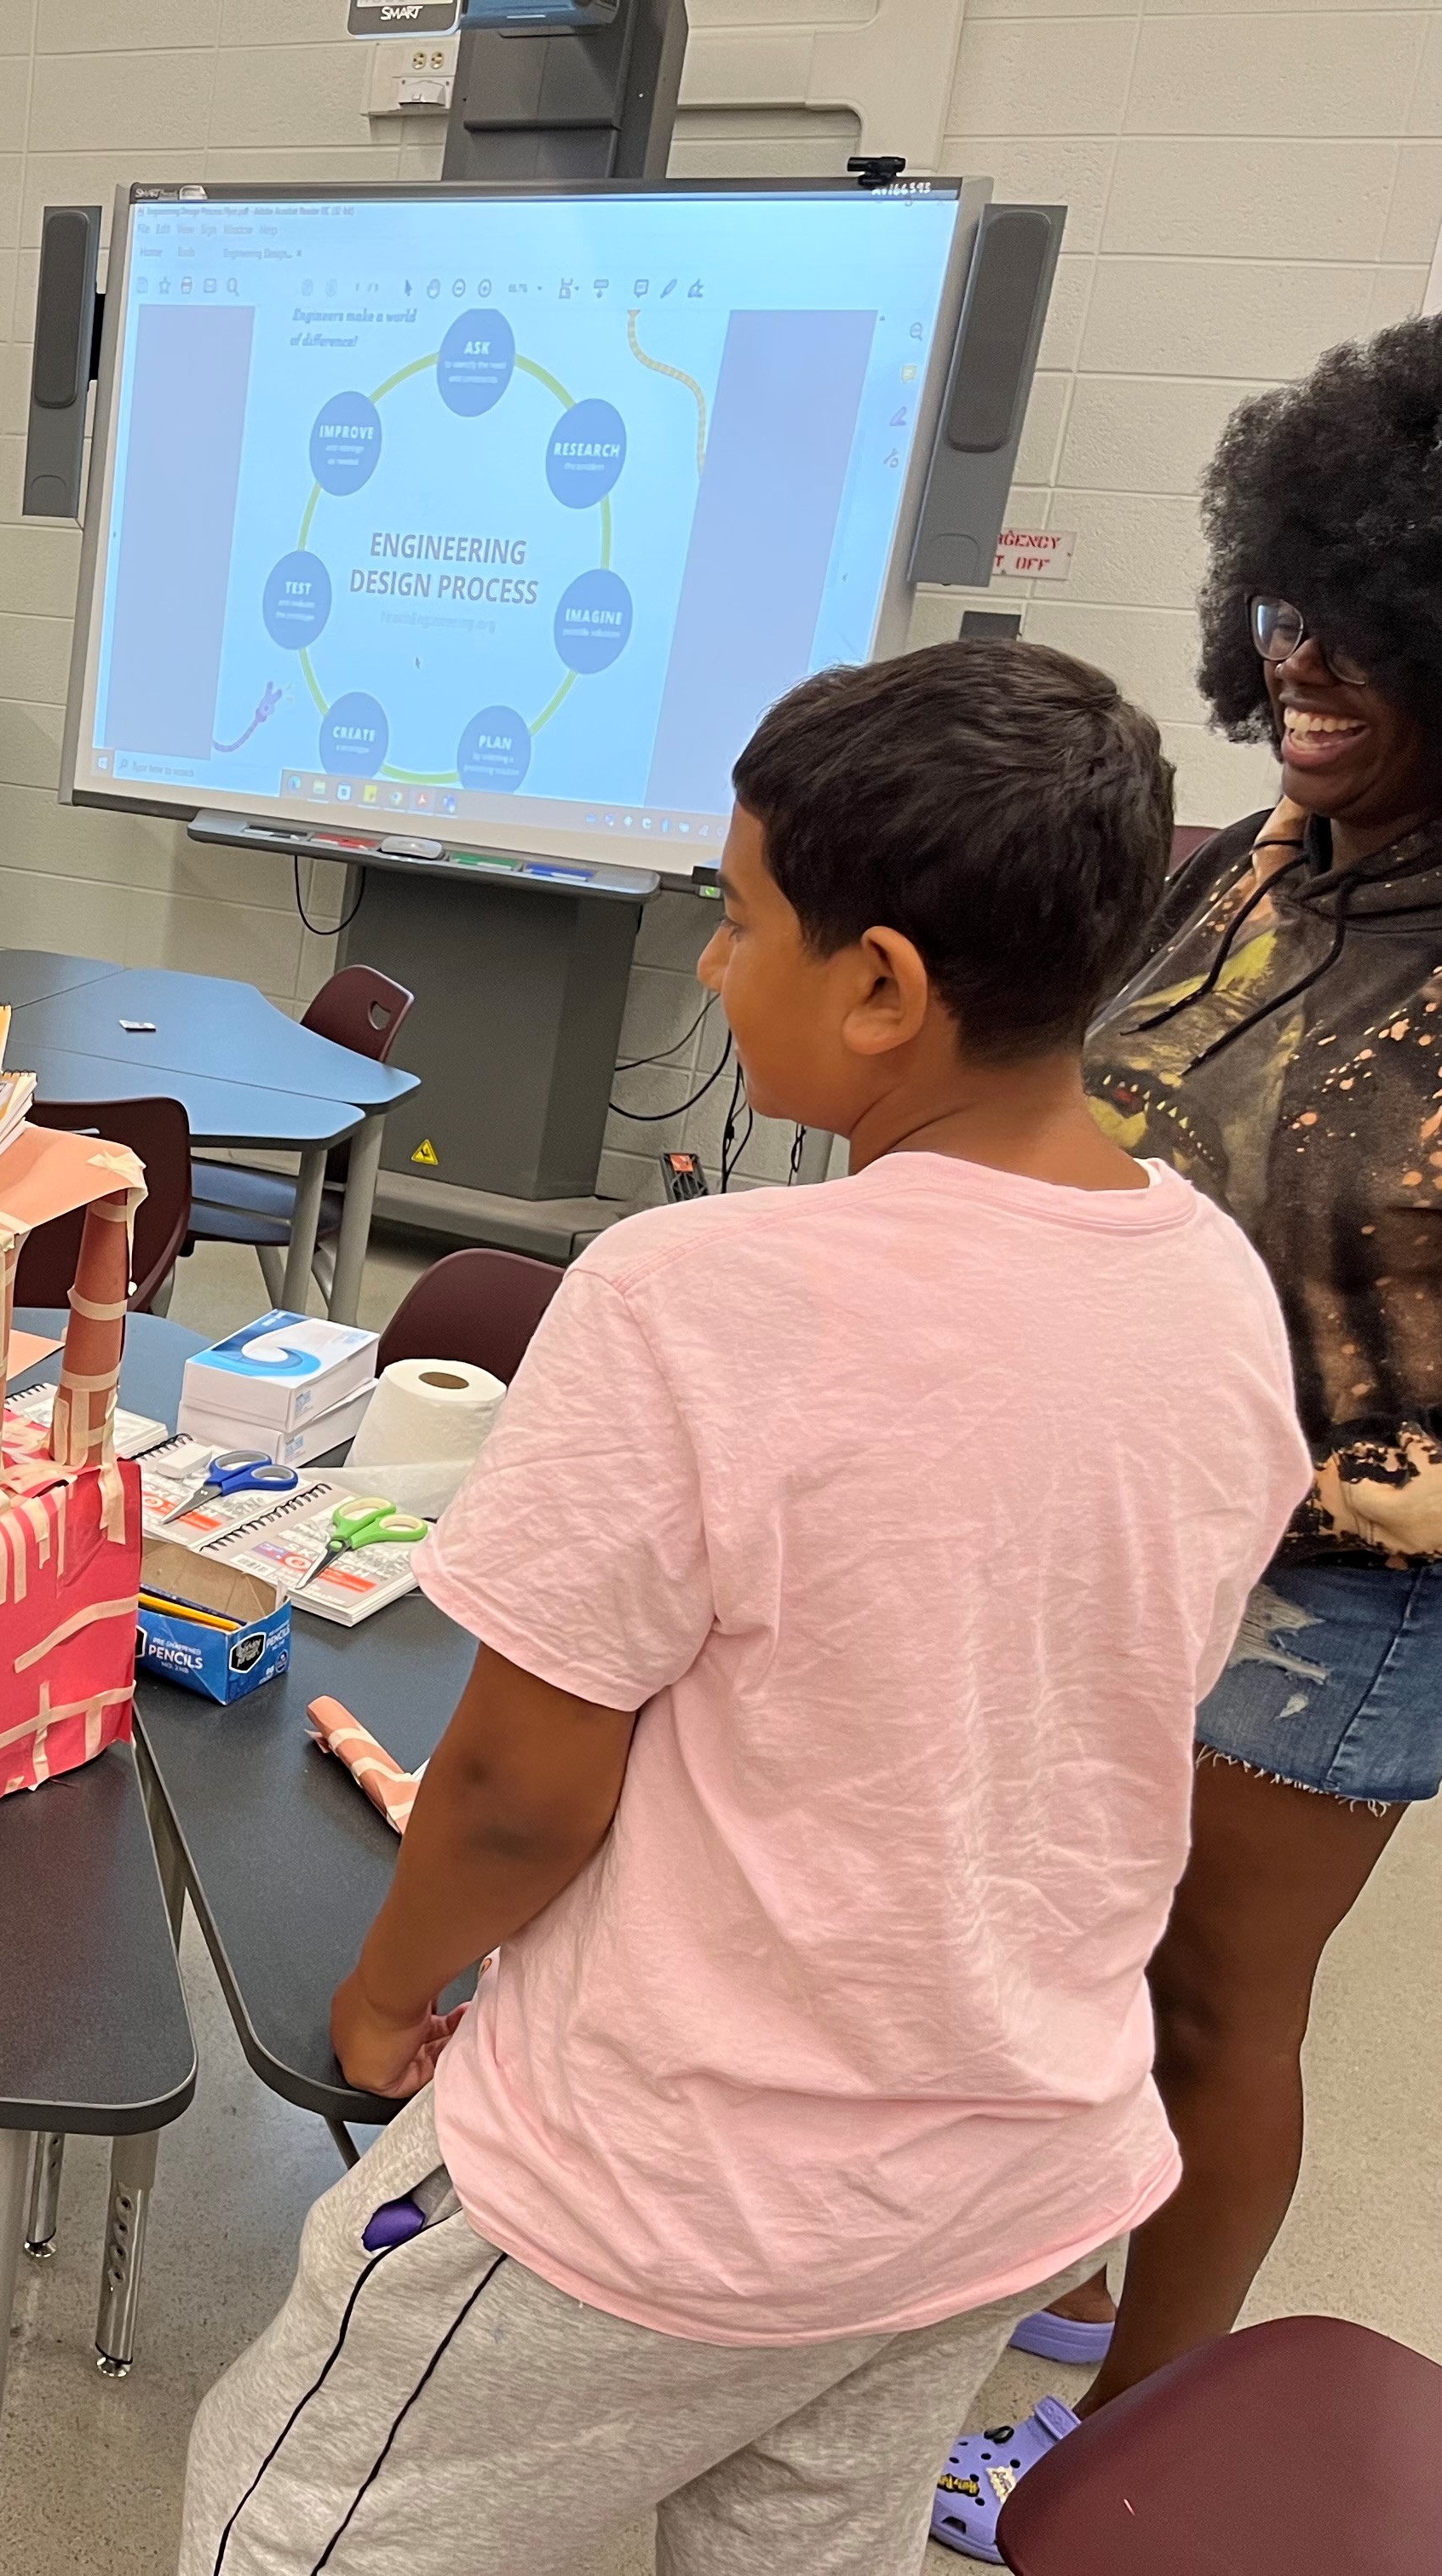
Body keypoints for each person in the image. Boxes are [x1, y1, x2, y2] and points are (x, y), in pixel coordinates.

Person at [178, 641, 1308, 2576]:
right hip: (1009, 2176)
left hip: (674, 2185)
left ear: (880, 986)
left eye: (742, 916)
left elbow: (528, 1792)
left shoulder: (692, 1294)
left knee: (291, 2526)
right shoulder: (1217, 1291)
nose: (710, 962)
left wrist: (386, 1993)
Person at [939, 315, 1442, 2535]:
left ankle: (1137, 2435)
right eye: (1286, 612)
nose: (1306, 664)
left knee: (1224, 2004)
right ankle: (1079, 2241)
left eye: (1377, 633)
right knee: (1096, 1930)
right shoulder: (1241, 867)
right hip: (1134, 1514)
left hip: (1343, 1578)